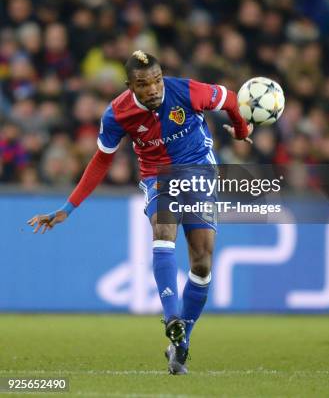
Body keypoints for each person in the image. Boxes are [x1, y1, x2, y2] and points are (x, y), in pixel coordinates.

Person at [27, 50, 252, 374]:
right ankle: (171, 315)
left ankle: (180, 341)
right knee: (163, 230)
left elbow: (230, 99)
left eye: (157, 80)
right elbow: (101, 160)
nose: (153, 88)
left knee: (202, 262)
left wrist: (241, 130)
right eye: (144, 83)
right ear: (130, 85)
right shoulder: (117, 114)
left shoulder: (187, 91)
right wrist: (68, 208)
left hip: (199, 169)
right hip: (158, 175)